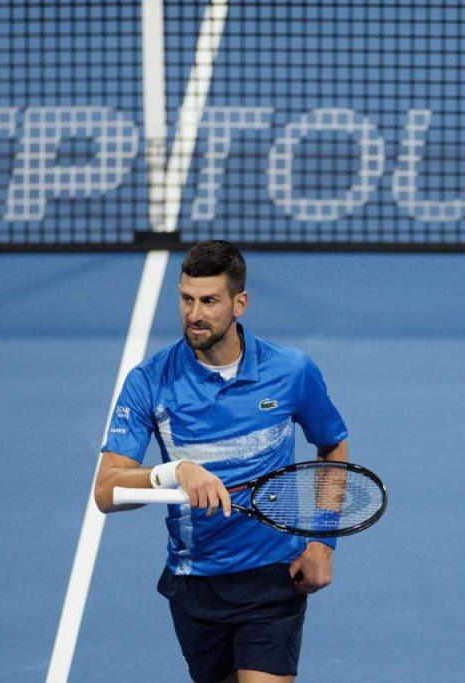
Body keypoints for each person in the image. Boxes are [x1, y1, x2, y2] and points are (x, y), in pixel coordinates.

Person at [94, 240, 349, 683]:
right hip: (196, 580)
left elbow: (331, 446)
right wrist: (173, 472)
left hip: (273, 575)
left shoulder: (292, 371)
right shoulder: (149, 382)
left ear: (239, 303)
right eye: (186, 299)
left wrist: (322, 541)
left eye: (209, 301)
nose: (194, 314)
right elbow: (106, 492)